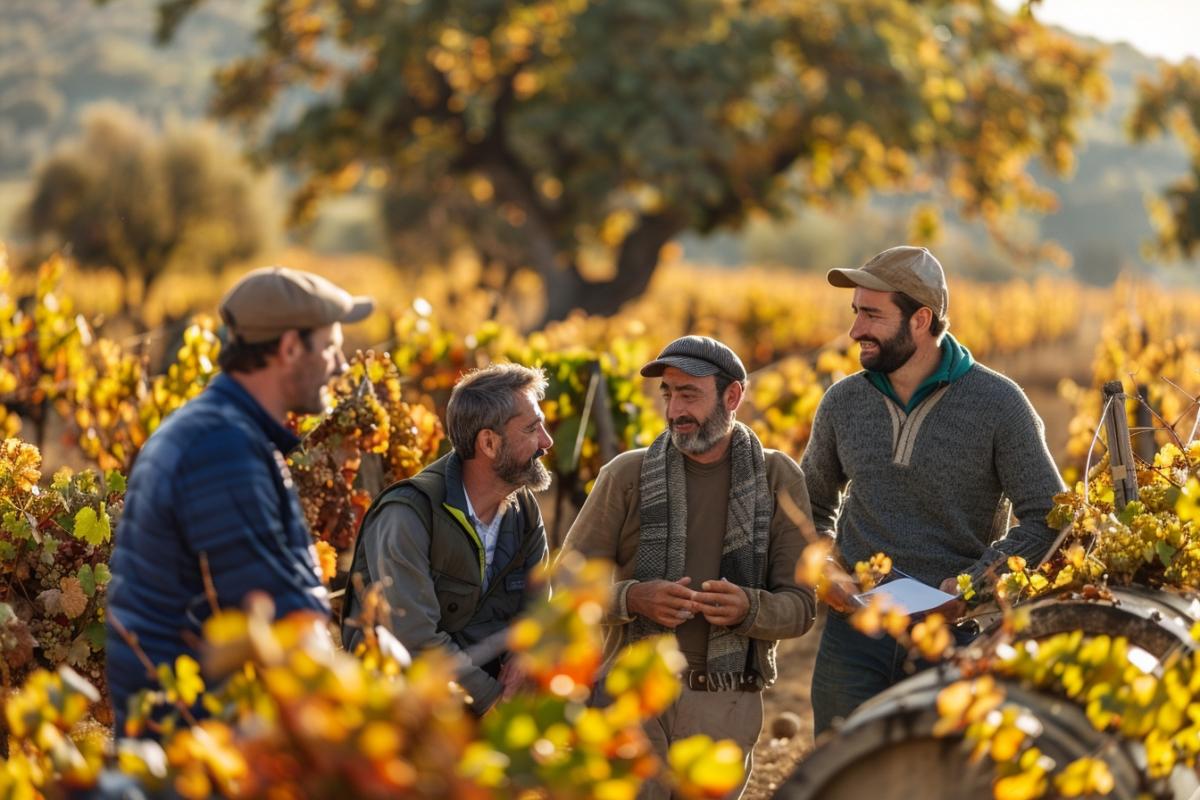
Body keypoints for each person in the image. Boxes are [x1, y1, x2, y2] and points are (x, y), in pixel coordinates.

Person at [802, 245, 1066, 734]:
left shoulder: (999, 404)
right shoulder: (843, 402)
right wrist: (828, 569)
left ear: (920, 319)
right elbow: (811, 504)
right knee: (839, 778)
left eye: (872, 315)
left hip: (952, 639)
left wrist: (973, 585)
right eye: (855, 312)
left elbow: (1050, 515)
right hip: (852, 638)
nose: (856, 330)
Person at [106, 266, 373, 731]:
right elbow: (280, 619)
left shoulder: (218, 431)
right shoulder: (220, 450)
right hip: (199, 749)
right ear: (289, 348)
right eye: (330, 346)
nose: (341, 364)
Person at [559, 335, 816, 800]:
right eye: (669, 394)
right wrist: (630, 597)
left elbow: (801, 608)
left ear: (732, 396)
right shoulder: (625, 475)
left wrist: (749, 609)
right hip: (631, 697)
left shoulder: (779, 479)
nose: (675, 409)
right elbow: (565, 585)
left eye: (689, 394)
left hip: (725, 704)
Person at [341, 363, 553, 715]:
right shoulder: (408, 515)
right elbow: (415, 640)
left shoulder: (523, 508)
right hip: (405, 713)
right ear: (488, 442)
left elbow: (540, 606)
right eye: (532, 429)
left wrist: (525, 656)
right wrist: (494, 704)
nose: (546, 442)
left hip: (483, 701)